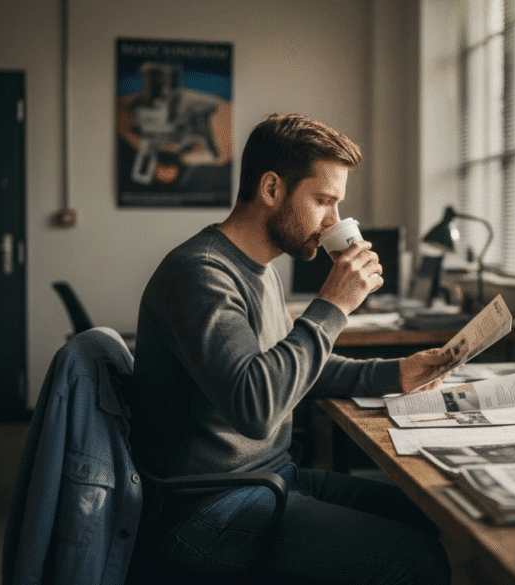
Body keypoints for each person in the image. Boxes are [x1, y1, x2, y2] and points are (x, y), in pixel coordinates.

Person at [131, 113, 452, 584]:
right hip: (208, 510)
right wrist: (332, 306)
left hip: (269, 478)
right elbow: (256, 405)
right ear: (271, 189)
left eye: (337, 205)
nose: (333, 223)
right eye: (323, 200)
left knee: (432, 510)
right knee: (418, 559)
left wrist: (397, 372)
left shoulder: (261, 270)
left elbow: (295, 370)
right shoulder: (200, 274)